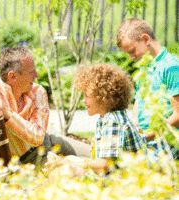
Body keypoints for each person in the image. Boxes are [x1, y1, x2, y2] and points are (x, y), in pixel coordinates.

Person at [0, 47, 91, 164]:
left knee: (96, 154)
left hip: (45, 140)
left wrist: (9, 115)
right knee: (81, 167)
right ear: (12, 77)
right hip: (29, 158)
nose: (36, 75)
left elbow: (38, 137)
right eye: (31, 72)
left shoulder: (38, 92)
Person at [45, 64, 147, 175]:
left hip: (126, 180)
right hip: (120, 175)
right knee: (70, 162)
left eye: (87, 96)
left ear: (103, 97)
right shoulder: (108, 118)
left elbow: (104, 166)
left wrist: (65, 162)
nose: (83, 101)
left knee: (66, 170)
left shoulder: (113, 121)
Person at [116, 18, 179, 158]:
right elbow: (139, 106)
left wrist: (143, 138)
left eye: (132, 51)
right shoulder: (145, 68)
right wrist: (129, 132)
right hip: (147, 143)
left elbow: (177, 116)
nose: (131, 57)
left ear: (146, 39)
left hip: (166, 144)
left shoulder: (171, 67)